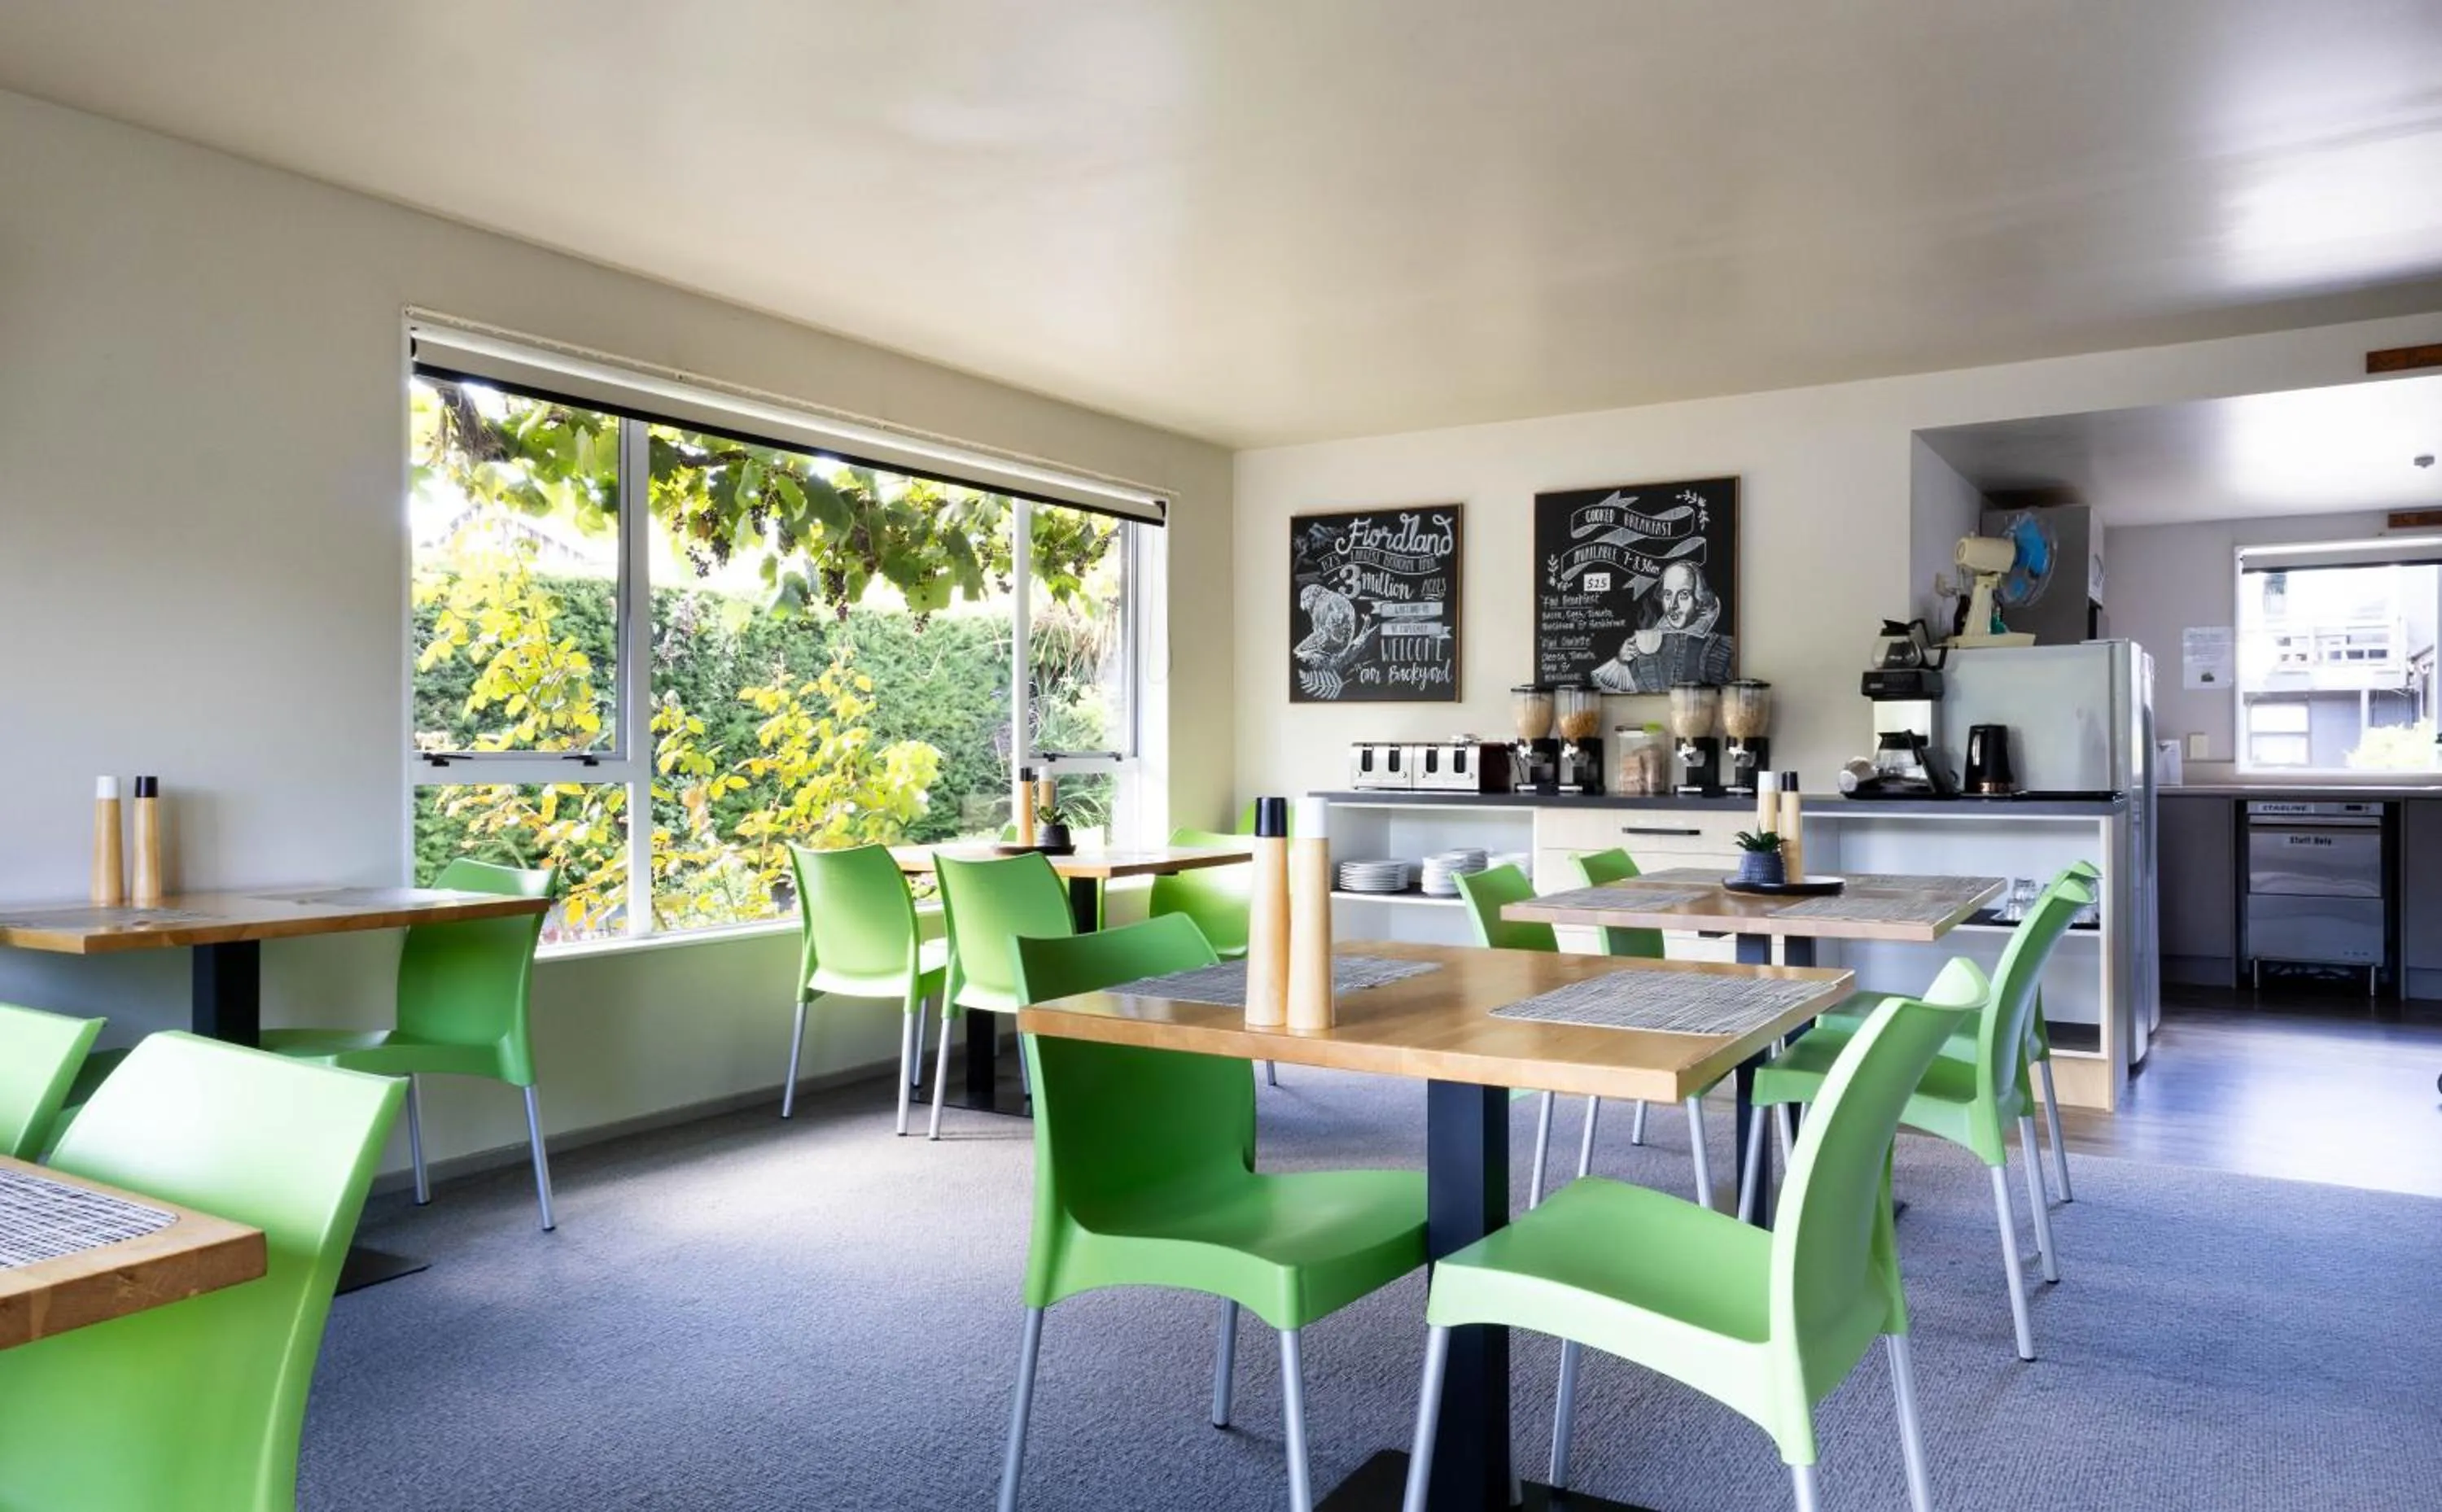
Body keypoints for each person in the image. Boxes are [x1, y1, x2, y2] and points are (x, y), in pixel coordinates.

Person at [1590, 560, 1735, 693]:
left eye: (1683, 595)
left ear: (1699, 601)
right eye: (1668, 595)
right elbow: (1606, 692)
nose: (1673, 605)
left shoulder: (1724, 647)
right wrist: (1622, 660)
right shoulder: (1645, 646)